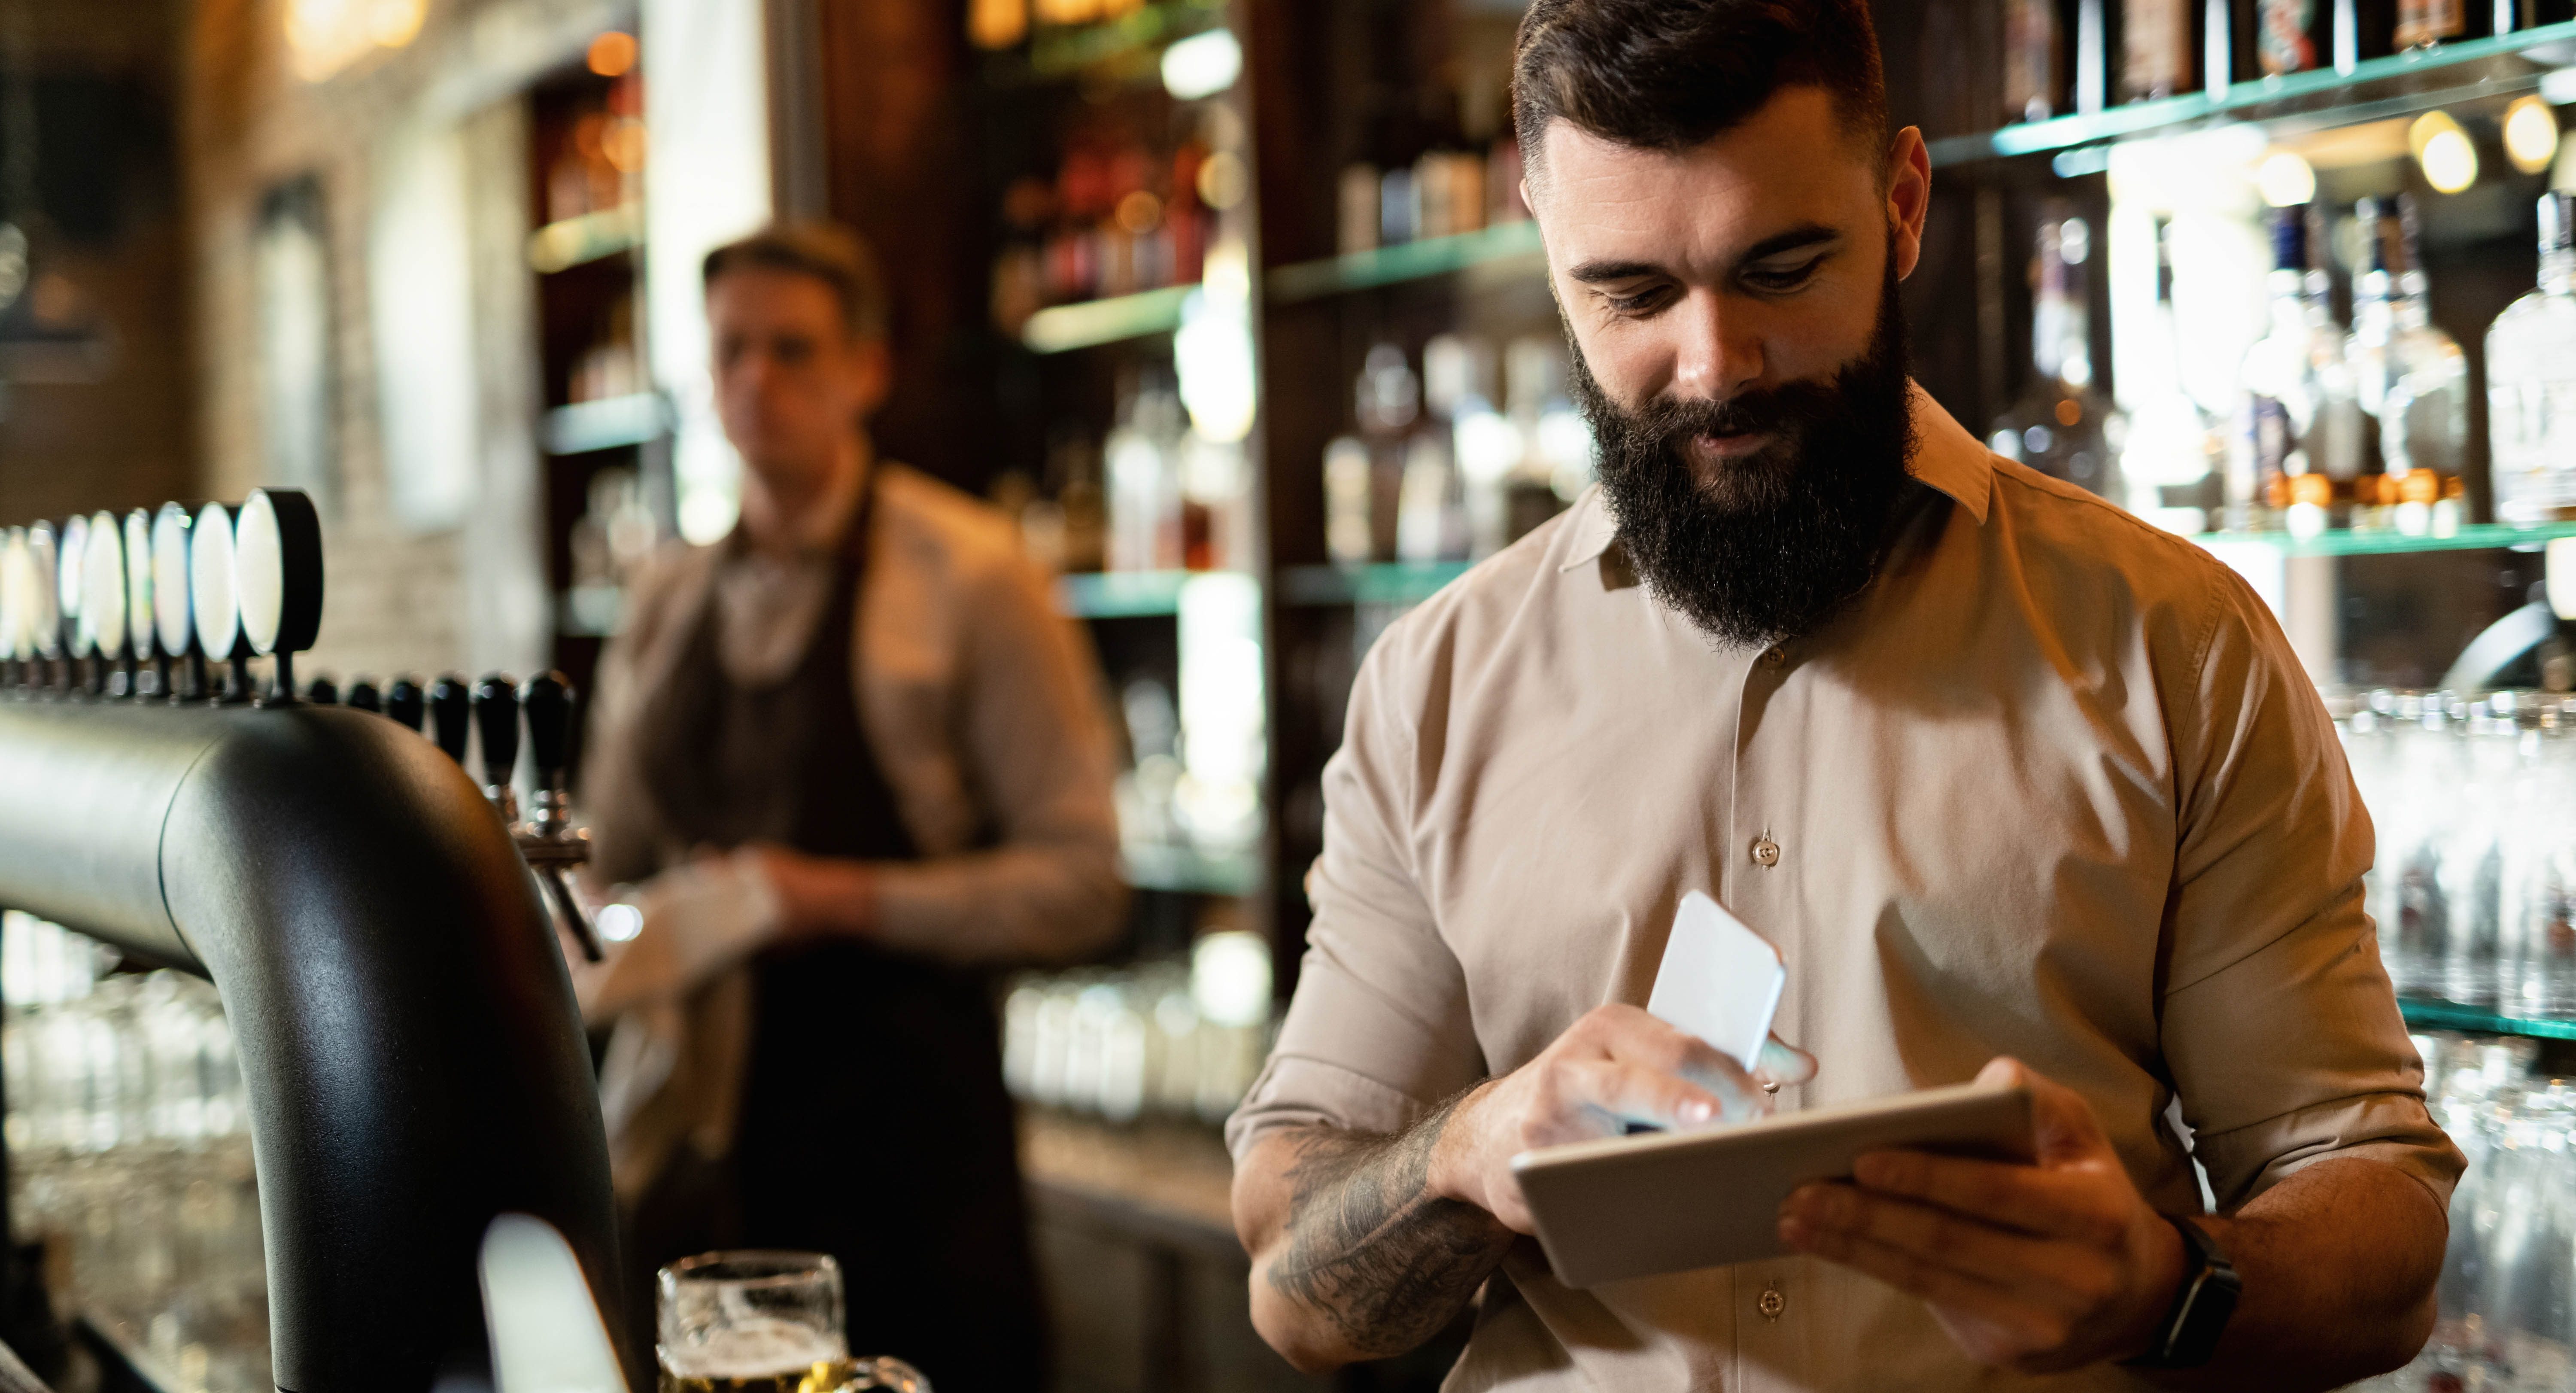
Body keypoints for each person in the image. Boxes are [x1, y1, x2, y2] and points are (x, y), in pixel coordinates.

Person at [1226, 3, 2463, 1389]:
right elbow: (1295, 1287)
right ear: (1546, 246)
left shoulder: (2176, 643)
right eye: (1632, 295)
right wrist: (1469, 1152)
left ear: (1904, 204)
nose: (1712, 367)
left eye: (1781, 268)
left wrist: (2167, 1287)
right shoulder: (1436, 685)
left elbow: (2382, 1227)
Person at [574, 222, 1126, 1391]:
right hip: (703, 1149)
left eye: (794, 351)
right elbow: (598, 854)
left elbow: (1082, 882)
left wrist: (826, 898)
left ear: (866, 370)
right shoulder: (667, 600)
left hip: (907, 1144)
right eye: (731, 352)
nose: (757, 382)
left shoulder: (971, 573)